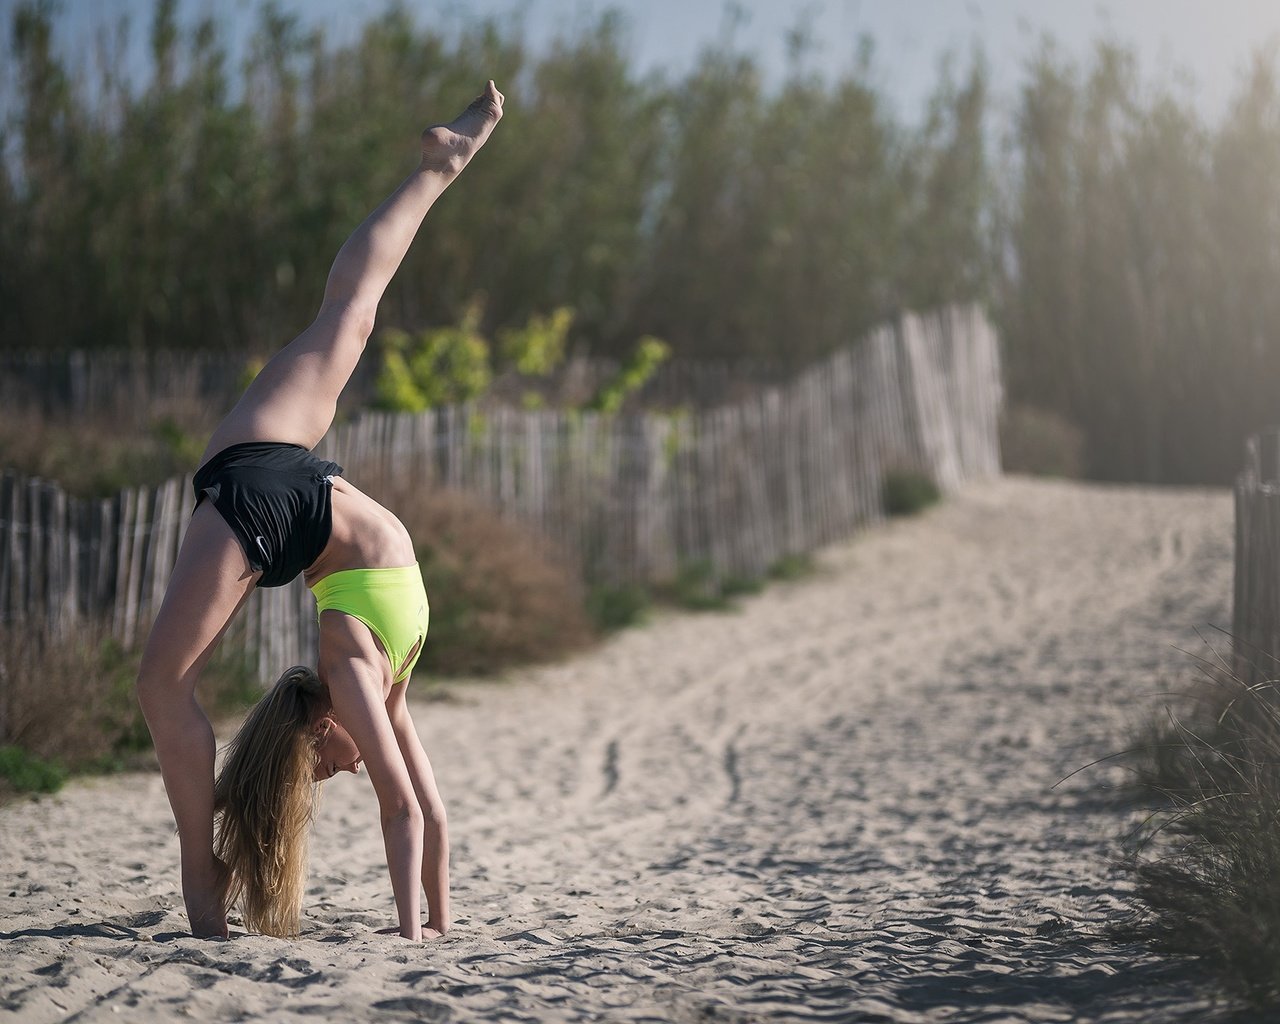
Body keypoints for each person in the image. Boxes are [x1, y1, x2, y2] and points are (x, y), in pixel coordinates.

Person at [136, 82, 505, 941]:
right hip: (268, 476)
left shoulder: (356, 674)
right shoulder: (360, 674)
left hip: (267, 480)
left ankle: (205, 869)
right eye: (331, 769)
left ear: (325, 722)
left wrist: (425, 929)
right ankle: (438, 171)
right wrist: (427, 931)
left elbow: (413, 810)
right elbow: (418, 809)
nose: (333, 772)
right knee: (349, 310)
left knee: (163, 681)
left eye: (319, 767)